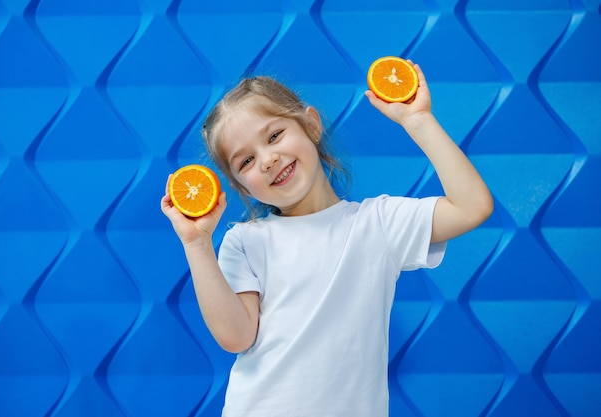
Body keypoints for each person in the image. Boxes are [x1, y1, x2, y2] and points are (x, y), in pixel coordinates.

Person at [161, 61, 493, 417]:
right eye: (246, 162)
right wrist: (196, 245)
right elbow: (236, 337)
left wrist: (418, 121)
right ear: (241, 186)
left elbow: (471, 207)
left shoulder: (378, 223)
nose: (268, 160)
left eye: (274, 136)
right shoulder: (244, 241)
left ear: (312, 126)